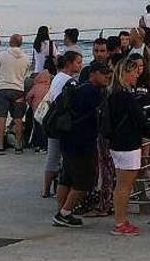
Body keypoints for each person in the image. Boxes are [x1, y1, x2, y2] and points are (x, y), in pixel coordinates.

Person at [52, 62, 107, 228]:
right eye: (104, 74)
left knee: (67, 178)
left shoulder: (77, 89)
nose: (107, 77)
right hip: (82, 142)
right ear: (93, 74)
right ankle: (65, 212)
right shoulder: (93, 93)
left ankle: (61, 211)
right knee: (85, 180)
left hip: (67, 138)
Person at [106, 57, 150, 236]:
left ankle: (120, 219)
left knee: (121, 184)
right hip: (128, 143)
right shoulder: (125, 96)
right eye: (133, 73)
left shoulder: (113, 94)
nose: (136, 76)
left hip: (117, 142)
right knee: (125, 185)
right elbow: (139, 118)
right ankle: (120, 222)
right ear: (126, 73)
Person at [43, 51, 83, 198]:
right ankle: (53, 189)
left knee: (52, 156)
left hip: (53, 120)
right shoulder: (69, 81)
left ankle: (46, 189)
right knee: (59, 157)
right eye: (78, 62)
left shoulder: (57, 77)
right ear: (69, 63)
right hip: (62, 122)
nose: (80, 65)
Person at [0, 34, 31, 155]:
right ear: (21, 43)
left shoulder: (2, 55)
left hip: (3, 89)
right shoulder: (26, 58)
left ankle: (1, 145)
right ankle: (18, 145)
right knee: (18, 119)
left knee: (1, 118)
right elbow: (25, 73)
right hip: (18, 89)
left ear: (10, 42)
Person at [25, 57, 55, 154]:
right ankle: (45, 146)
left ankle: (37, 145)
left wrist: (31, 104)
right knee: (45, 130)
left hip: (36, 111)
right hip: (47, 111)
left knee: (37, 129)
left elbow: (28, 97)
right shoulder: (50, 87)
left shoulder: (36, 86)